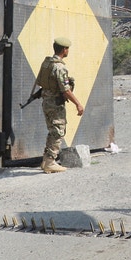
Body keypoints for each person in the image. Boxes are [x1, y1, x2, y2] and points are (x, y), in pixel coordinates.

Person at [36, 37, 85, 174]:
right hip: (55, 104)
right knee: (58, 131)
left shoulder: (47, 63)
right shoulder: (60, 67)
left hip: (47, 101)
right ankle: (50, 162)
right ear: (64, 50)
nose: (68, 51)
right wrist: (78, 104)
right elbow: (65, 90)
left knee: (53, 131)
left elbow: (41, 82)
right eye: (67, 49)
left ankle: (46, 160)